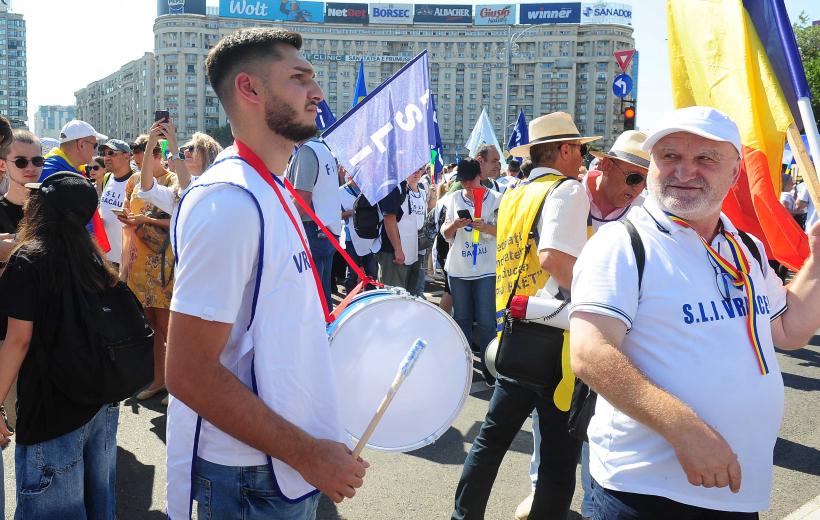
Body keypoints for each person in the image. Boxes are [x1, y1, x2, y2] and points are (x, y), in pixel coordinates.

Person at [569, 106, 820, 518]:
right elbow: (590, 352)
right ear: (651, 164)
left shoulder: (746, 248)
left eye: (705, 159)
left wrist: (817, 261)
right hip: (644, 494)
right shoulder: (624, 242)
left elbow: (789, 330)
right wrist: (686, 431)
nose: (684, 172)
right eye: (670, 156)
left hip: (735, 490)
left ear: (735, 174)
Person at [164, 28, 367, 520]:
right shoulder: (229, 201)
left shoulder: (268, 186)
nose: (318, 93)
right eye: (300, 79)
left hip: (280, 465)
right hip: (251, 476)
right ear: (250, 89)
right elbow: (188, 372)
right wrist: (309, 454)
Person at [453, 111, 598, 520]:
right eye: (581, 150)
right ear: (566, 150)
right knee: (557, 454)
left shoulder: (515, 192)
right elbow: (553, 257)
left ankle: (464, 516)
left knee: (490, 441)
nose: (583, 158)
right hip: (557, 338)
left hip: (516, 331)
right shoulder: (567, 191)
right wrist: (596, 303)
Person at [518, 130, 651, 520]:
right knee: (551, 416)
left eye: (643, 179)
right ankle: (538, 487)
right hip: (559, 324)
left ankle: (597, 497)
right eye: (631, 177)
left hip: (613, 330)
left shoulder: (641, 210)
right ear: (604, 166)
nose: (637, 188)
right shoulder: (569, 194)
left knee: (601, 414)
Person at [0, 172, 120, 519]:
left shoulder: (30, 259)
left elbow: (18, 340)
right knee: (99, 503)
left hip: (53, 408)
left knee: (53, 509)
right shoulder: (93, 257)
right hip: (98, 400)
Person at [120, 136, 177, 404]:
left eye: (141, 157)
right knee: (153, 326)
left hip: (164, 262)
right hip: (140, 261)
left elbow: (179, 219)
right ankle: (159, 379)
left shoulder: (172, 181)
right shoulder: (133, 181)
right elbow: (127, 210)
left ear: (156, 155)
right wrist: (129, 219)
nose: (136, 162)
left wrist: (144, 219)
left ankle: (177, 383)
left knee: (169, 327)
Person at [441, 158, 500, 379]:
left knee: (486, 321)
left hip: (486, 269)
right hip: (459, 269)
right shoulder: (454, 198)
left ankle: (489, 368)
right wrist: (455, 225)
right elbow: (445, 234)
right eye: (462, 180)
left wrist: (486, 227)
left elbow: (505, 231)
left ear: (479, 176)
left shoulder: (496, 199)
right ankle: (463, 367)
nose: (466, 185)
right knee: (462, 319)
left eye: (469, 180)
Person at [287, 136, 343, 308]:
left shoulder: (306, 152)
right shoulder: (323, 148)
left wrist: (282, 226)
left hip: (311, 228)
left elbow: (302, 199)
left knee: (312, 297)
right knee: (322, 293)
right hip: (326, 229)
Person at [98, 139, 136, 268]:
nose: (106, 157)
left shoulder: (136, 182)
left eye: (111, 153)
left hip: (127, 261)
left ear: (126, 156)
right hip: (106, 257)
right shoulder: (106, 178)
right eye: (104, 153)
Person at [339, 173, 377, 293]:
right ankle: (351, 301)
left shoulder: (369, 189)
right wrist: (351, 213)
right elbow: (334, 215)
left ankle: (371, 298)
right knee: (352, 273)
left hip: (369, 237)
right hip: (351, 238)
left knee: (371, 272)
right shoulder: (340, 192)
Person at [40, 119, 107, 181]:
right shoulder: (52, 175)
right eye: (94, 145)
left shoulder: (56, 168)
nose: (95, 150)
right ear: (82, 145)